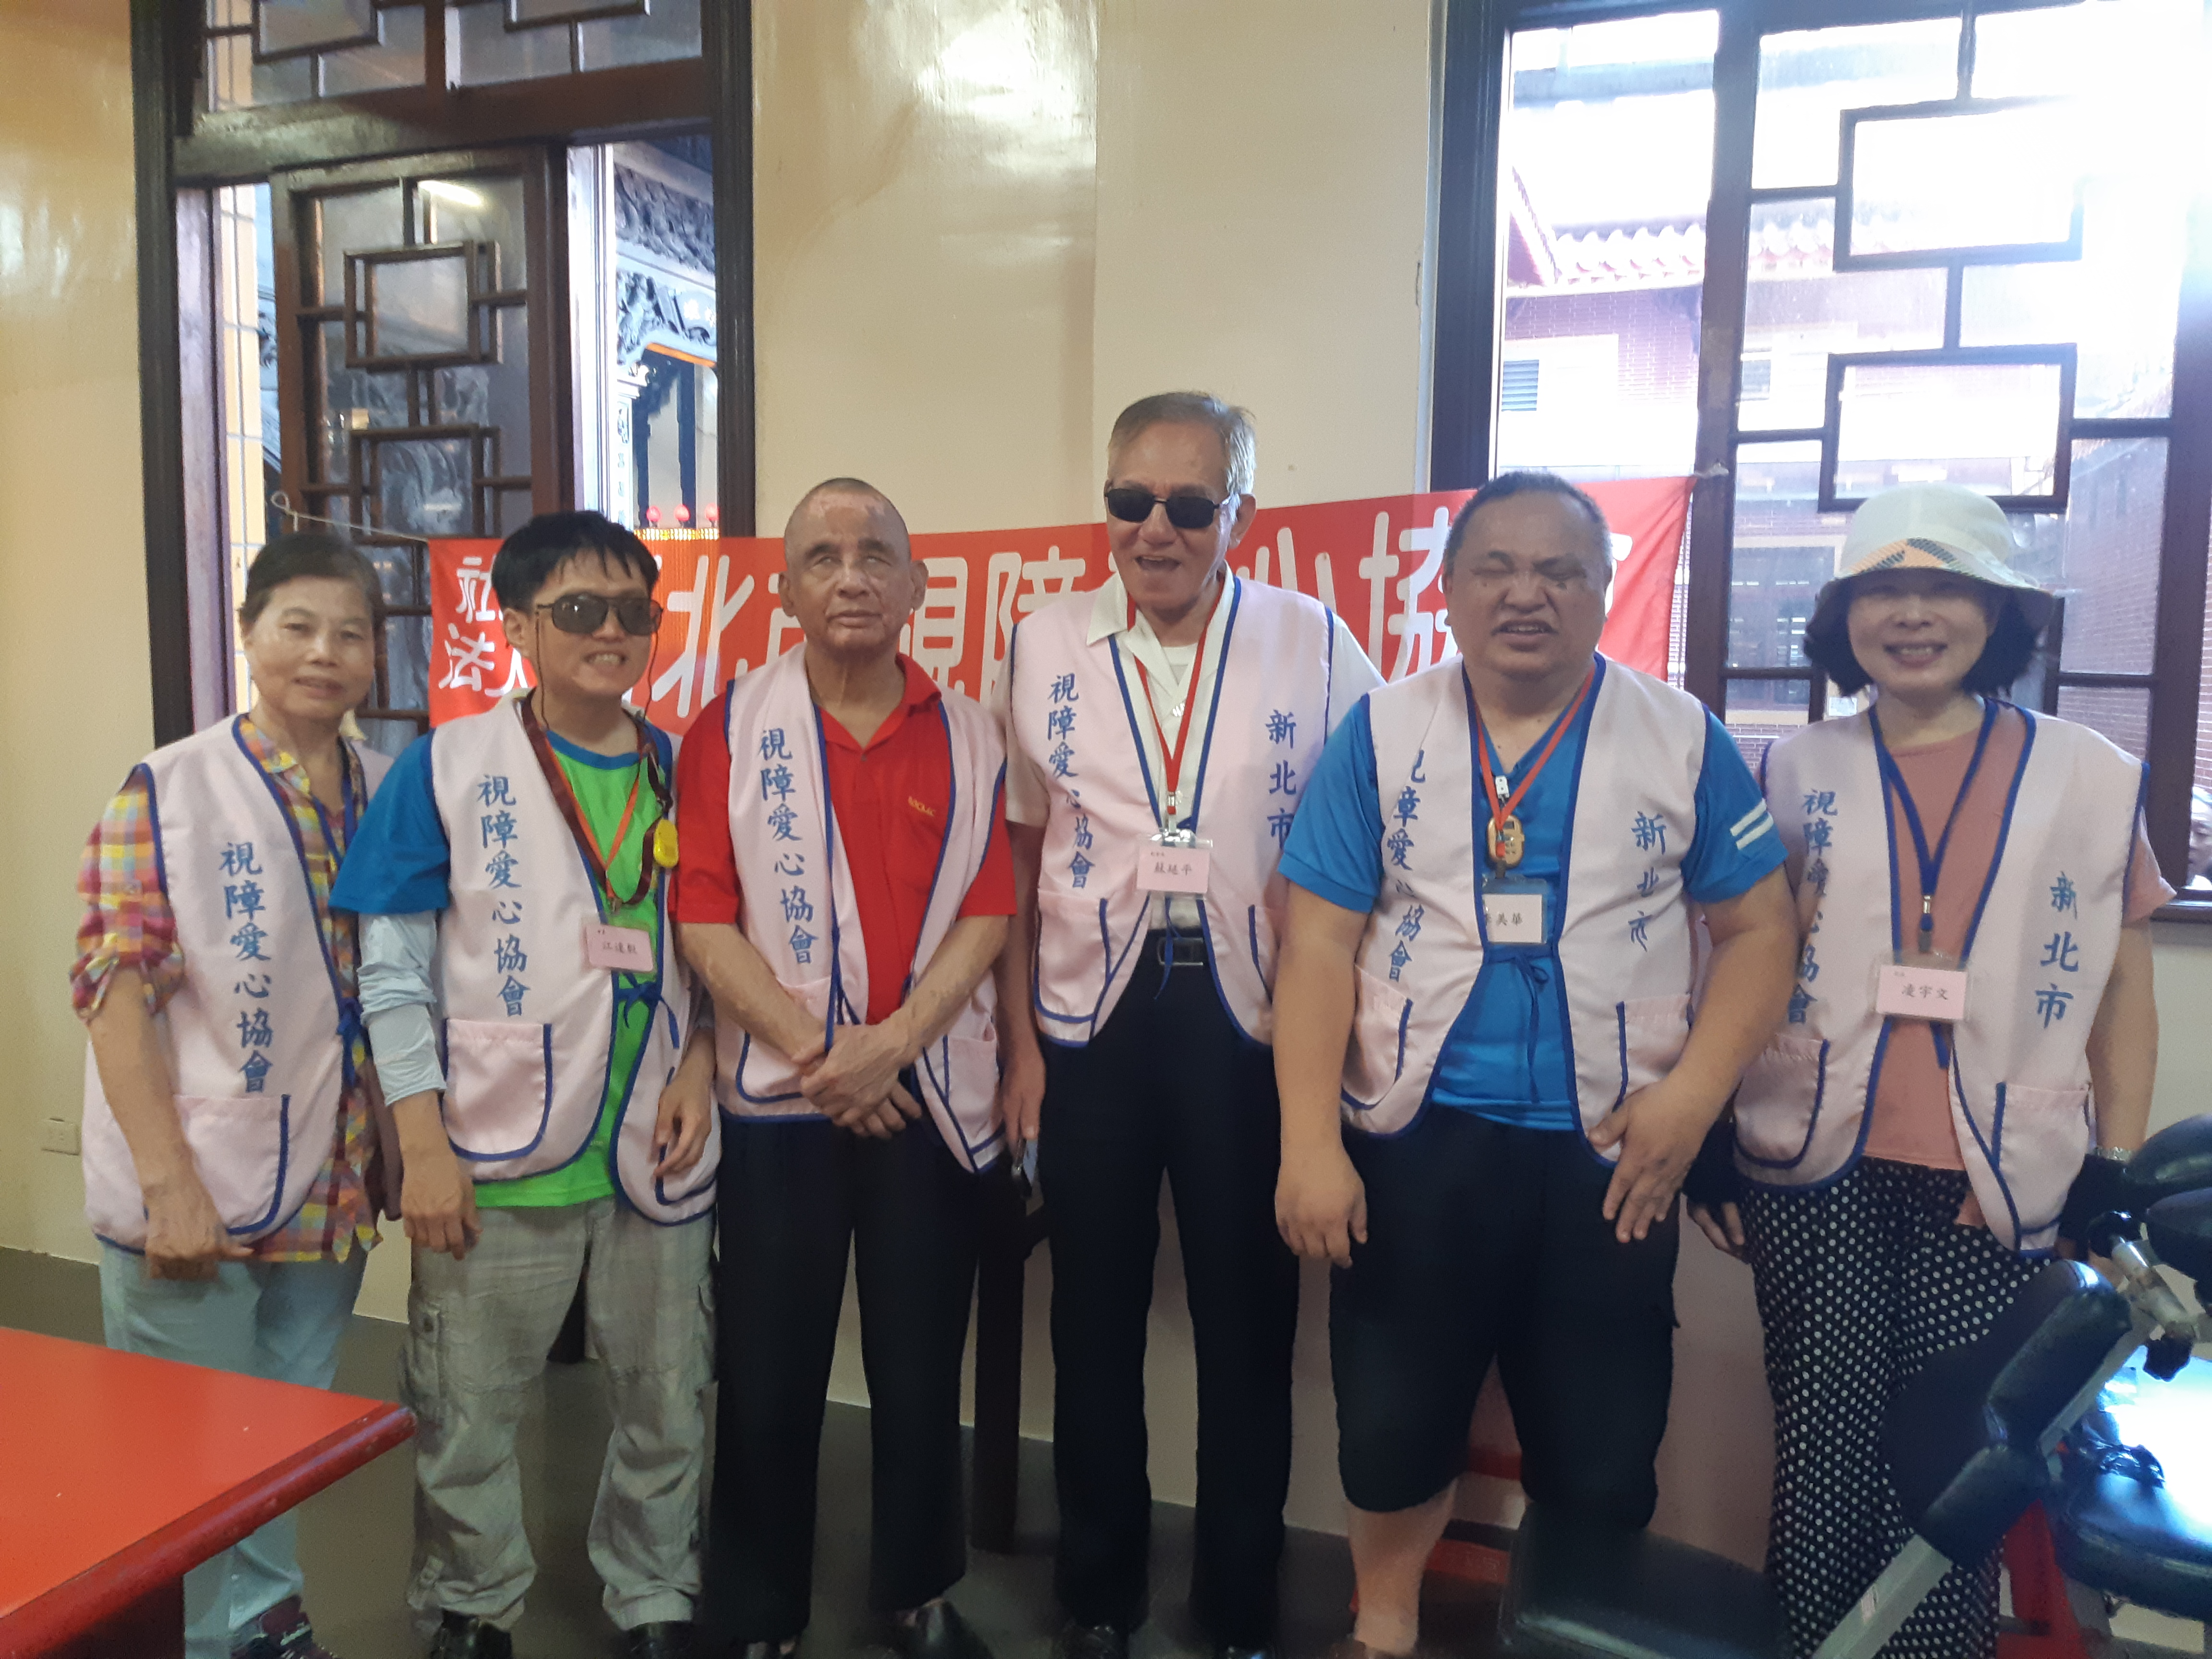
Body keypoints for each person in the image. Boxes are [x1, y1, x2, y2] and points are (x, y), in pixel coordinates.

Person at [1271, 470, 1799, 1659]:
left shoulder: (1680, 735)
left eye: (1561, 571)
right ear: (1448, 590)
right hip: (1415, 1135)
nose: (1528, 595)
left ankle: (1577, 1635)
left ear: (1605, 588)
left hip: (1612, 1148)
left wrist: (1693, 1102)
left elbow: (1762, 929)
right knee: (1392, 1420)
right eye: (1497, 569)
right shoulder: (1383, 731)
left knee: (1604, 1443)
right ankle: (1385, 1629)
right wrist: (1309, 1144)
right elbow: (1317, 943)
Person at [1707, 482, 2167, 1659]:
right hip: (1815, 1163)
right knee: (1821, 1450)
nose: (1912, 616)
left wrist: (2116, 1161)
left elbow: (2124, 989)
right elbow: (1743, 956)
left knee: (1953, 1478)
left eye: (1945, 588)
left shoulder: (2087, 775)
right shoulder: (1791, 766)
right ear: (1842, 617)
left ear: (1999, 611)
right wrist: (1709, 1123)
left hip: (1995, 1178)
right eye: (1883, 591)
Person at [995, 392, 1383, 1659]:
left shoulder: (1313, 641)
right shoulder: (1044, 641)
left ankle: (1236, 1608)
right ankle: (1099, 1593)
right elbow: (1019, 845)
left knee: (1247, 1325)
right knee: (1093, 1320)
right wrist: (1017, 1044)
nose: (1154, 530)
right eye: (1130, 502)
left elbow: (1374, 823)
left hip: (1249, 1019)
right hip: (1090, 1018)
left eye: (1189, 505)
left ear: (1241, 516)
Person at [331, 512, 717, 1659]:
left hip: (656, 1140)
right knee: (467, 1406)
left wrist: (703, 1065)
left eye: (634, 611)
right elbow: (390, 973)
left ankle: (654, 1595)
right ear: (516, 625)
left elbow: (720, 952)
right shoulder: (448, 767)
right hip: (491, 1150)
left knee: (668, 1396)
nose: (611, 633)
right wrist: (423, 1147)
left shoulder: (683, 767)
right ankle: (471, 1604)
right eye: (580, 610)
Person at [678, 478, 1014, 1659]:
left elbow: (989, 911)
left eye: (875, 554)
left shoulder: (970, 733)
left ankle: (918, 1590)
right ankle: (757, 1611)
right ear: (785, 593)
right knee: (768, 1373)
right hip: (783, 1104)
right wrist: (829, 1059)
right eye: (822, 557)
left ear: (919, 585)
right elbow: (703, 915)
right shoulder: (729, 729)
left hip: (925, 1100)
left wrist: (892, 1048)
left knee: (920, 1368)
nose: (852, 576)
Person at [73, 532, 394, 1659]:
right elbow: (115, 991)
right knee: (180, 1457)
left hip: (329, 1179)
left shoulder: (384, 787)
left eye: (351, 633)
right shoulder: (168, 788)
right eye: (298, 626)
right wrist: (168, 1182)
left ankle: (266, 1617)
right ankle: (196, 1643)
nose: (325, 653)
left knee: (280, 1435)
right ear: (249, 633)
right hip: (195, 1185)